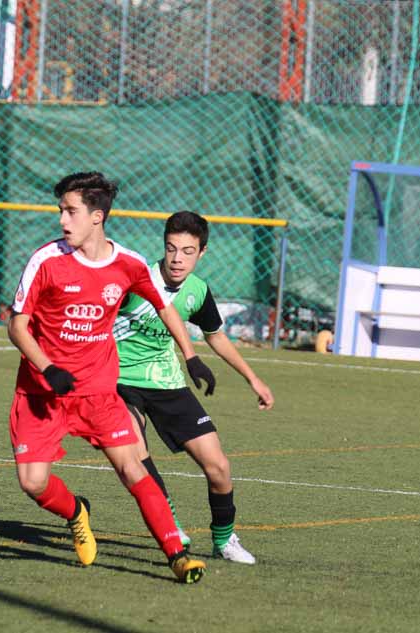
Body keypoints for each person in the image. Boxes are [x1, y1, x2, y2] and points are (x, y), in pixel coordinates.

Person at [7, 173, 219, 584]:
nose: (62, 220)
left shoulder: (128, 264)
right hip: (41, 392)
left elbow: (164, 306)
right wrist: (48, 368)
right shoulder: (45, 261)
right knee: (33, 483)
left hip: (99, 391)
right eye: (61, 210)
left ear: (97, 217)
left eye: (71, 211)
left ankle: (177, 555)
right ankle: (76, 513)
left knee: (132, 467)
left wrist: (191, 356)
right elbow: (17, 325)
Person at [114, 210, 275, 564]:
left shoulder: (198, 291)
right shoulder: (137, 281)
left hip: (167, 382)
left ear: (202, 253)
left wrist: (253, 379)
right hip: (118, 381)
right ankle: (168, 522)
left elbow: (216, 336)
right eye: (171, 248)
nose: (177, 259)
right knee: (135, 456)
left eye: (188, 251)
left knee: (219, 466)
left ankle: (224, 540)